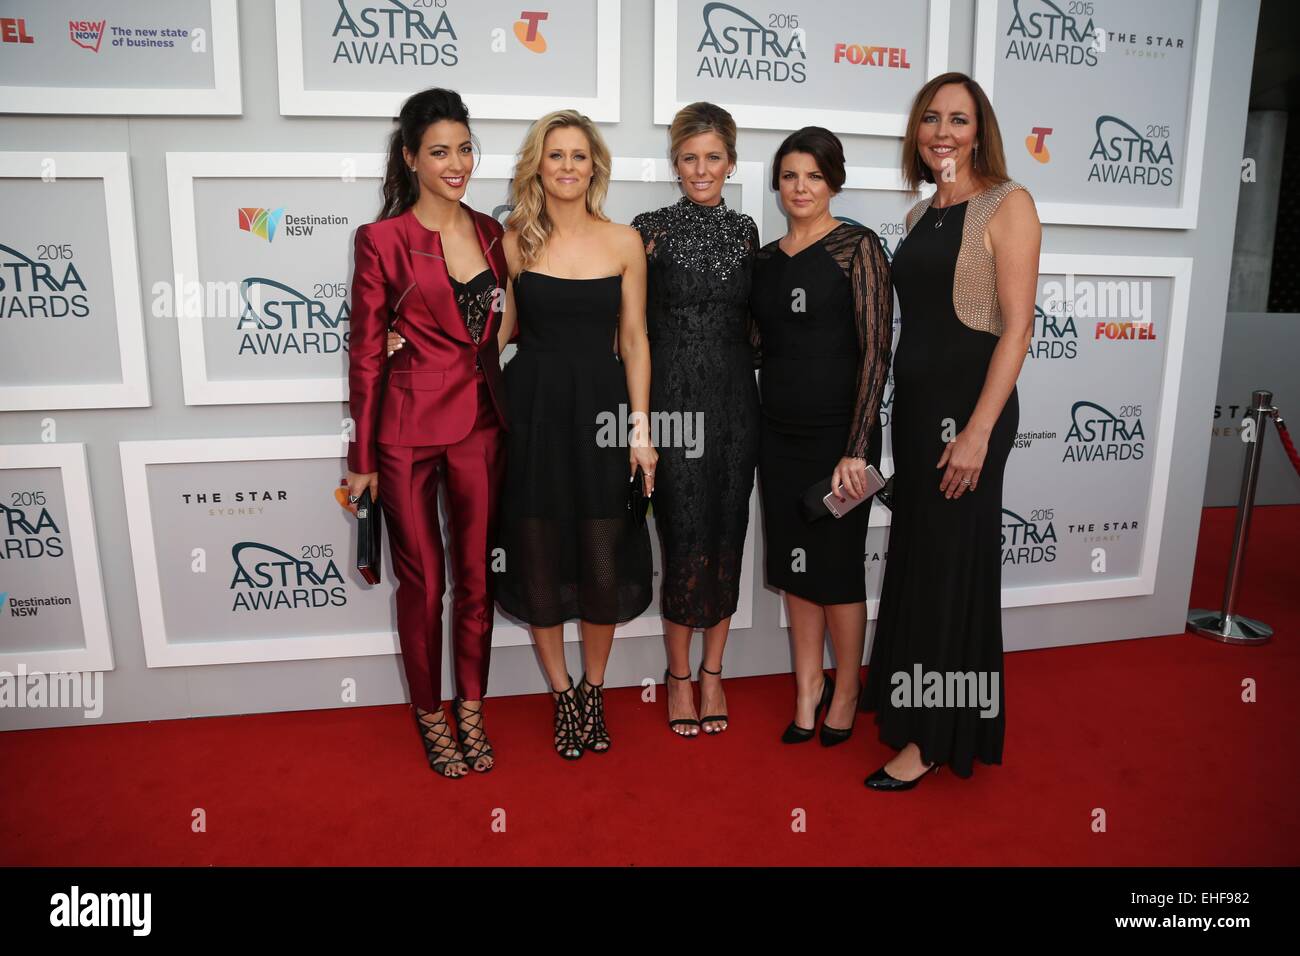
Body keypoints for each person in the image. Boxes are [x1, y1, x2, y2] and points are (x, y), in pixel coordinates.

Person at [860, 72, 1040, 789]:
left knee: (951, 569)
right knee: (920, 559)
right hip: (917, 411)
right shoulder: (920, 216)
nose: (942, 131)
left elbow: (1018, 326)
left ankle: (936, 737)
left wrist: (977, 432)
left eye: (959, 119)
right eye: (931, 118)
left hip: (972, 412)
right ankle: (911, 709)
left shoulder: (1009, 203)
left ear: (980, 130)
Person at [344, 88, 509, 778]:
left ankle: (471, 707)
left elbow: (500, 330)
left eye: (465, 148)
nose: (457, 163)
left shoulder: (492, 231)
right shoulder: (382, 240)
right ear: (411, 158)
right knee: (425, 584)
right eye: (440, 151)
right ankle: (429, 715)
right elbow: (364, 352)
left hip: (481, 425)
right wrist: (360, 461)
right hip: (406, 433)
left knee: (477, 580)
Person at [492, 109, 656, 760]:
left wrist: (642, 431)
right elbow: (495, 334)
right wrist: (409, 341)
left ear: (595, 167)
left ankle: (594, 688)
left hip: (603, 412)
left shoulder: (623, 242)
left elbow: (637, 341)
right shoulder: (512, 240)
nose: (566, 167)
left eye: (578, 156)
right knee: (537, 551)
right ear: (539, 164)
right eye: (555, 155)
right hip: (531, 411)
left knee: (600, 554)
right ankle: (561, 694)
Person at [750, 127, 893, 748]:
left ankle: (848, 688)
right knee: (796, 569)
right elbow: (758, 344)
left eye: (812, 175)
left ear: (833, 180)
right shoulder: (764, 258)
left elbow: (876, 352)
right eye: (789, 176)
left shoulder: (858, 247)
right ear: (777, 184)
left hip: (841, 437)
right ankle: (808, 687)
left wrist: (857, 448)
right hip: (775, 434)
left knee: (836, 572)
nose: (800, 187)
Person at [631, 102, 760, 738]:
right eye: (690, 158)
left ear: (731, 163)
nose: (701, 169)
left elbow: (757, 327)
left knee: (726, 534)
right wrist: (640, 420)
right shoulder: (646, 229)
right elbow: (632, 331)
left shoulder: (746, 232)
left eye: (713, 157)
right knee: (681, 538)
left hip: (737, 406)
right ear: (674, 163)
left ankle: (715, 672)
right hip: (673, 406)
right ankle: (678, 677)